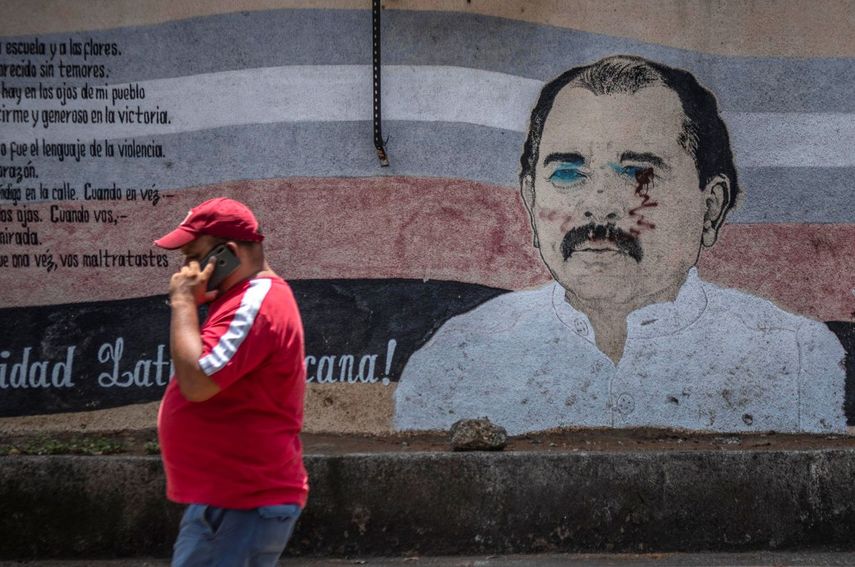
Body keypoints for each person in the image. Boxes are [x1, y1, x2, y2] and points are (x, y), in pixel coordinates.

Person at [394, 55, 846, 435]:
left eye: (637, 173)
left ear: (711, 207)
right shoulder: (457, 360)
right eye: (567, 173)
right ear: (530, 200)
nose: (598, 206)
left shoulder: (796, 356)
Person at [153, 197, 308, 566]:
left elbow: (198, 381)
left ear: (228, 253)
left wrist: (183, 304)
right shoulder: (237, 300)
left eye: (193, 255)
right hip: (223, 499)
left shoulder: (256, 302)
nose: (185, 269)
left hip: (245, 501)